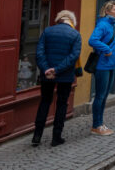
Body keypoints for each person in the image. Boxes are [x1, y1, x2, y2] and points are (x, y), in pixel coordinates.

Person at [32, 10, 81, 147]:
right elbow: (73, 56)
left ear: (58, 19)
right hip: (64, 75)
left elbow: (39, 53)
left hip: (47, 75)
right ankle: (56, 137)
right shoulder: (75, 34)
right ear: (71, 21)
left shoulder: (47, 31)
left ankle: (37, 135)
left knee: (45, 102)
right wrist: (57, 70)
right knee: (61, 104)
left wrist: (47, 69)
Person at [89, 0, 115, 136]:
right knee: (100, 96)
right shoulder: (103, 24)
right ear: (107, 11)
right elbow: (92, 40)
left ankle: (100, 123)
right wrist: (106, 49)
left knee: (105, 96)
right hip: (102, 65)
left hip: (111, 64)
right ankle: (96, 125)